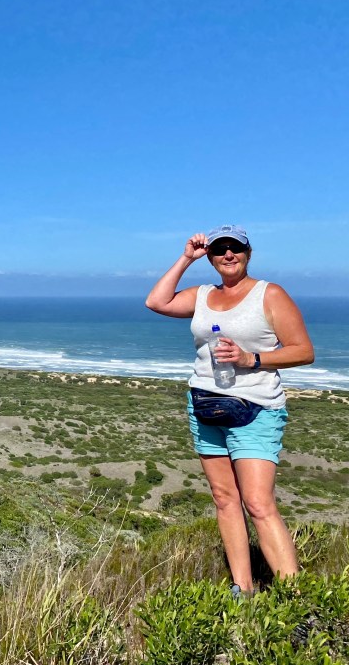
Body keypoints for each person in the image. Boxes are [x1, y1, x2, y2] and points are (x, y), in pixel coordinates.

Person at [145, 224, 314, 596]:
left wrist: (250, 358)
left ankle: (298, 598)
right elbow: (156, 302)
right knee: (224, 499)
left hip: (256, 407)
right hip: (205, 405)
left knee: (257, 503)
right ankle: (244, 588)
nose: (227, 255)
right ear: (210, 256)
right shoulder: (203, 295)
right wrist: (186, 258)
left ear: (248, 253)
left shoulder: (269, 294)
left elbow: (303, 350)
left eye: (235, 248)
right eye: (219, 249)